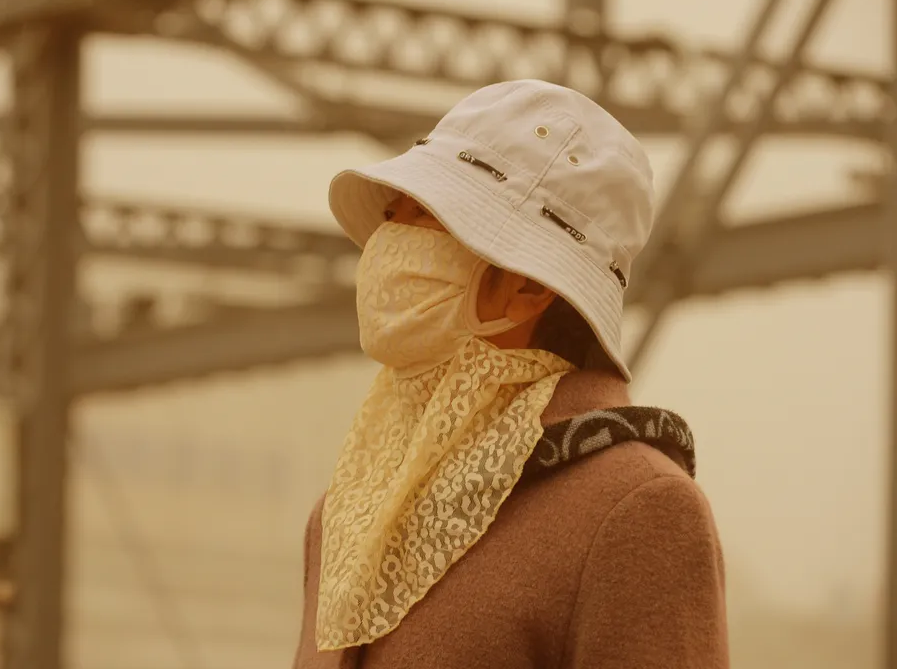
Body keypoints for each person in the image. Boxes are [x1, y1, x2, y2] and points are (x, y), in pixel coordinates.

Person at [292, 80, 728, 669]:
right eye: (394, 213)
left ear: (528, 285)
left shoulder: (636, 509)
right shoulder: (348, 509)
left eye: (427, 215)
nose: (387, 241)